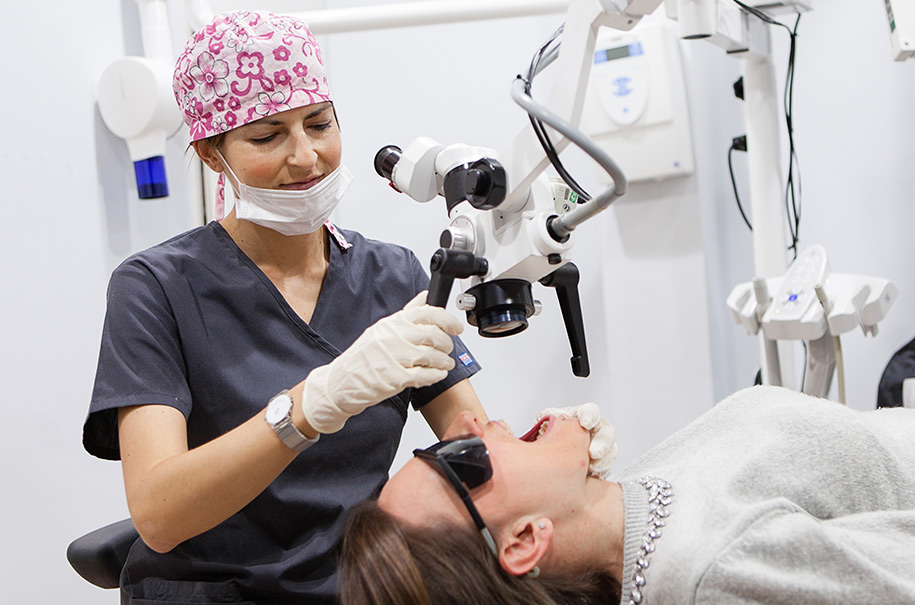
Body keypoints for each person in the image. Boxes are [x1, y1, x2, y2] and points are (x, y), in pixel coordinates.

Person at [81, 10, 486, 604]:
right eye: (267, 136)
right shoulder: (155, 288)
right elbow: (159, 515)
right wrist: (311, 405)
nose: (305, 157)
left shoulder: (392, 276)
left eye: (319, 124)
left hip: (360, 588)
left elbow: (473, 443)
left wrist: (555, 447)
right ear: (212, 154)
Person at [339, 385, 915, 604]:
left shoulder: (626, 519)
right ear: (523, 541)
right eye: (458, 460)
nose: (467, 422)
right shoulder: (715, 575)